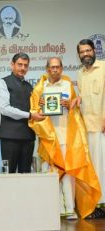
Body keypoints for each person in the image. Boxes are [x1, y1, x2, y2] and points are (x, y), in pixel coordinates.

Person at [29, 57, 101, 220]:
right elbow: (34, 113)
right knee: (51, 173)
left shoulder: (68, 84)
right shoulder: (40, 88)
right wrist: (39, 105)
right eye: (52, 67)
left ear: (62, 68)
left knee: (69, 173)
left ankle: (70, 208)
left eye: (58, 67)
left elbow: (76, 109)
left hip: (66, 136)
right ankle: (54, 209)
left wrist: (70, 104)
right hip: (48, 139)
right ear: (47, 69)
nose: (55, 70)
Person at [71, 39, 105, 218]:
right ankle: (97, 204)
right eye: (82, 52)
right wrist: (78, 99)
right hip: (88, 128)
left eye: (88, 50)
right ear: (79, 55)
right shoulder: (80, 74)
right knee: (96, 169)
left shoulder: (104, 68)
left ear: (94, 50)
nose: (85, 54)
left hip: (102, 126)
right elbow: (84, 96)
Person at [0, 52, 44, 173]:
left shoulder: (30, 87)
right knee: (8, 174)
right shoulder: (3, 82)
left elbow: (34, 107)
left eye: (25, 65)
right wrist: (29, 115)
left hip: (28, 137)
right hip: (9, 138)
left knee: (25, 174)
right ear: (12, 65)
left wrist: (42, 103)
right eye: (19, 64)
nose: (23, 68)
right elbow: (5, 109)